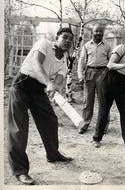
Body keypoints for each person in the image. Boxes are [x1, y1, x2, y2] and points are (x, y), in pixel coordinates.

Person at [7, 27, 74, 185]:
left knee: (50, 121)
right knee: (19, 128)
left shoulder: (65, 60)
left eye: (71, 39)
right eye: (65, 37)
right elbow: (36, 64)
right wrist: (49, 83)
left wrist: (55, 88)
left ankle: (53, 154)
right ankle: (20, 171)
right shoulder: (44, 43)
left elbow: (59, 79)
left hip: (39, 89)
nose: (68, 41)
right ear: (57, 37)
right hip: (22, 83)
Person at [77, 23, 111, 136]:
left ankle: (103, 127)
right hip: (89, 73)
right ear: (92, 32)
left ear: (103, 33)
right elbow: (81, 61)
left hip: (103, 73)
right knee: (87, 101)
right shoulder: (86, 45)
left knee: (104, 101)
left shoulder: (107, 45)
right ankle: (84, 125)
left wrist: (109, 76)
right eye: (96, 31)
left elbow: (111, 62)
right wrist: (80, 76)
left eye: (101, 31)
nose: (98, 33)